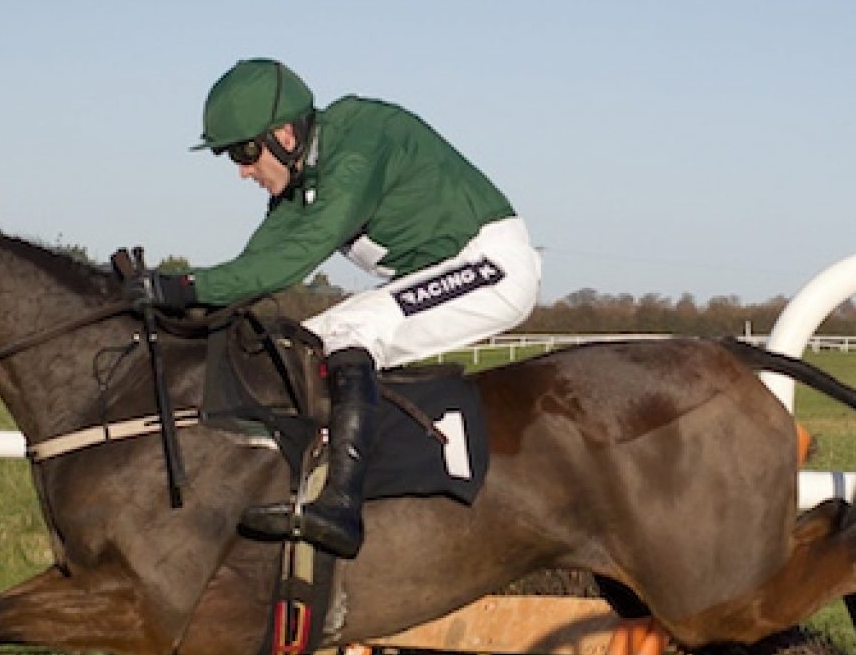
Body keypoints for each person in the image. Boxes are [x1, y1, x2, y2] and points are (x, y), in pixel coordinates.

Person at [118, 58, 540, 559]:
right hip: (438, 273)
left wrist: (185, 286)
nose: (242, 170)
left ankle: (341, 504)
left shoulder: (358, 143)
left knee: (351, 328)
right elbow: (254, 265)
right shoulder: (301, 179)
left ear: (285, 135)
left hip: (492, 265)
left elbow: (294, 258)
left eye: (245, 152)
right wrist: (179, 308)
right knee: (306, 342)